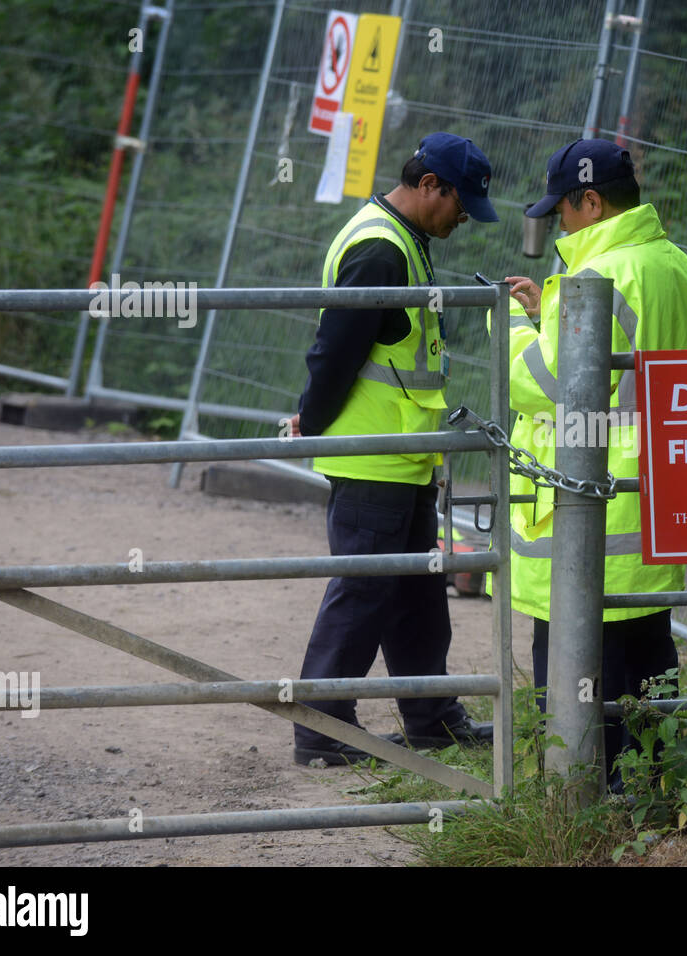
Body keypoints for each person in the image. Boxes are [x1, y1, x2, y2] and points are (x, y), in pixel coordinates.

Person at [499, 139, 687, 786]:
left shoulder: (594, 275)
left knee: (581, 678)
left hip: (594, 503)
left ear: (590, 202)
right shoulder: (672, 262)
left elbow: (546, 383)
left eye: (562, 209)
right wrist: (550, 314)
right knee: (650, 666)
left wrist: (512, 323)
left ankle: (583, 808)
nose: (559, 223)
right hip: (654, 494)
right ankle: (653, 796)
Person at [290, 132, 499, 767]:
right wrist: (313, 421)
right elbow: (334, 350)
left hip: (401, 452)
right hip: (373, 453)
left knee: (415, 591)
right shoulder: (381, 249)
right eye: (460, 204)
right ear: (430, 185)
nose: (463, 218)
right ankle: (322, 730)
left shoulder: (401, 239)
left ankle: (431, 714)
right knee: (365, 589)